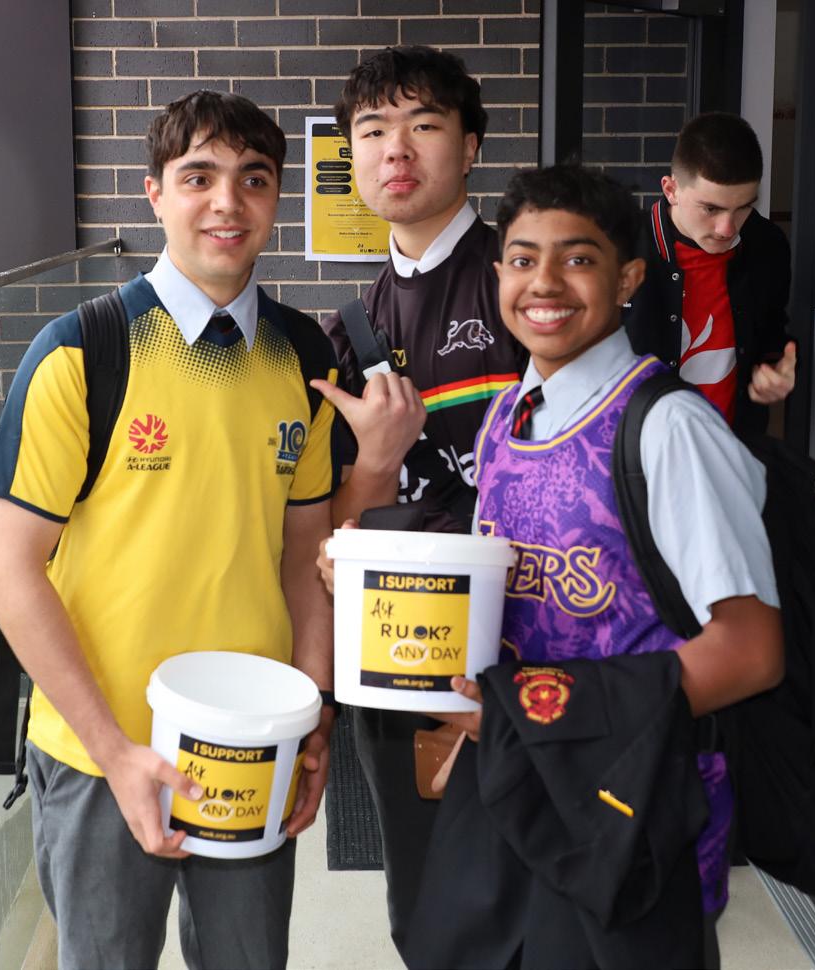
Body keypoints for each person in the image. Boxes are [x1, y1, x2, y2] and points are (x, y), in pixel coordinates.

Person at [0, 91, 338, 970]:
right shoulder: (82, 352)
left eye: (254, 179)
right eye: (198, 177)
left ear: (278, 197)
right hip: (100, 750)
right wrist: (114, 750)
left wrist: (313, 714)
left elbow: (307, 560)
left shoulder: (304, 358)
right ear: (154, 193)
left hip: (252, 743)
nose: (228, 202)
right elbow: (11, 570)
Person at [406, 165, 783, 969]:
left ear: (628, 279)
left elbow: (751, 651)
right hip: (515, 789)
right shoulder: (506, 417)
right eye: (522, 259)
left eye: (578, 258)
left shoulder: (668, 428)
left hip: (630, 806)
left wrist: (540, 715)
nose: (544, 282)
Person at [310, 45, 527, 956]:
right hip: (400, 656)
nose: (395, 149)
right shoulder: (347, 331)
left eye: (424, 124)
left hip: (533, 653)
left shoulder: (527, 282)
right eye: (372, 131)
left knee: (543, 898)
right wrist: (373, 463)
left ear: (470, 146)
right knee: (429, 906)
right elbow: (330, 530)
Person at [625, 111, 795, 437]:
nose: (727, 229)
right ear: (671, 190)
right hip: (636, 451)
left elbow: (772, 329)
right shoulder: (622, 248)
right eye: (711, 209)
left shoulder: (767, 245)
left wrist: (775, 367)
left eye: (743, 207)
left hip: (729, 448)